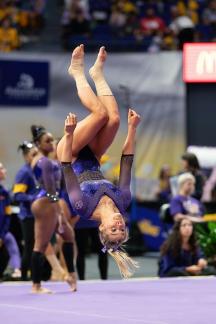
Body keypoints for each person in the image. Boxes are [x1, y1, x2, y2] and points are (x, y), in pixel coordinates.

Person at [57, 44, 141, 278]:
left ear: (102, 229)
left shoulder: (83, 207)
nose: (118, 224)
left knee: (100, 115)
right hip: (93, 155)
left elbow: (66, 169)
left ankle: (76, 71)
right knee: (113, 120)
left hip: (70, 153)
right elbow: (126, 162)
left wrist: (70, 133)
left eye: (113, 229)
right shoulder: (122, 201)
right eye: (121, 229)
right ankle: (97, 74)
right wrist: (132, 130)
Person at [30, 126, 77, 293]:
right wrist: (58, 211)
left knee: (68, 235)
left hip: (47, 201)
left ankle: (71, 275)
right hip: (46, 203)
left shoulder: (42, 159)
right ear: (38, 143)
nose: (51, 143)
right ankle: (36, 285)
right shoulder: (44, 162)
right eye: (47, 141)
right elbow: (51, 190)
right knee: (40, 244)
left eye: (51, 140)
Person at [13, 141, 38, 280]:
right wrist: (34, 198)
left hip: (38, 215)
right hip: (28, 216)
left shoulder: (37, 170)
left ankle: (36, 277)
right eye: (33, 155)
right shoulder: (24, 172)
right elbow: (17, 195)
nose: (36, 157)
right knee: (29, 247)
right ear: (26, 156)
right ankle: (23, 278)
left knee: (38, 247)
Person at [0, 162, 21, 279]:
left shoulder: (4, 192)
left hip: (2, 231)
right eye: (1, 168)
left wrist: (2, 235)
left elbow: (7, 215)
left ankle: (16, 270)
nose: (5, 171)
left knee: (11, 241)